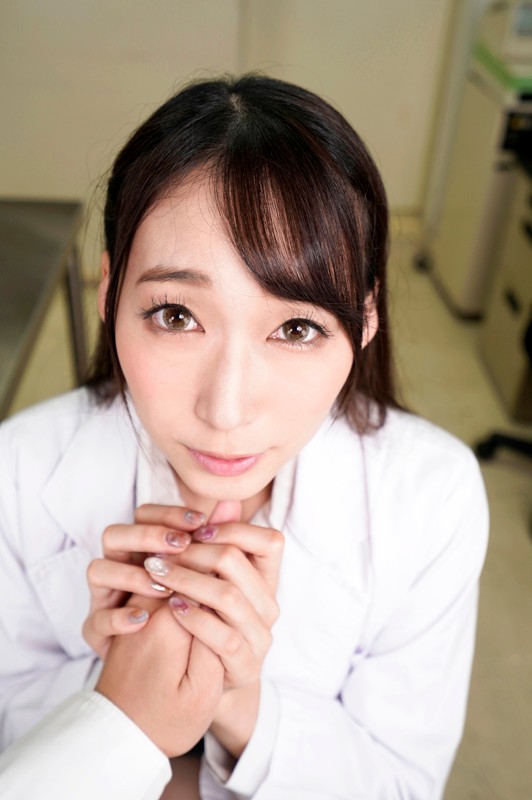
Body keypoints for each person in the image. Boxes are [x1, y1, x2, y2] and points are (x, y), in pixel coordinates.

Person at [0, 75, 488, 800]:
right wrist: (116, 699)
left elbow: (401, 785)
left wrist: (237, 702)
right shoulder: (16, 472)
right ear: (109, 294)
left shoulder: (431, 497)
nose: (226, 411)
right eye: (176, 316)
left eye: (296, 328)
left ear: (365, 321)